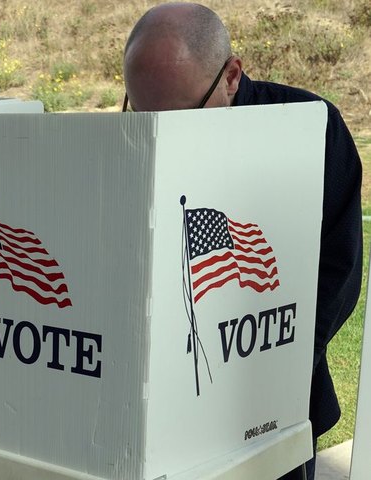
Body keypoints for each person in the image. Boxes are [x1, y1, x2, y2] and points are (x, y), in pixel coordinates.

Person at [122, 4, 363, 479]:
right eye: (138, 112)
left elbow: (338, 271)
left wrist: (270, 363)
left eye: (179, 116)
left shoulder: (308, 127)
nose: (157, 133)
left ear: (231, 76)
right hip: (161, 406)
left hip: (270, 403)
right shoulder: (132, 133)